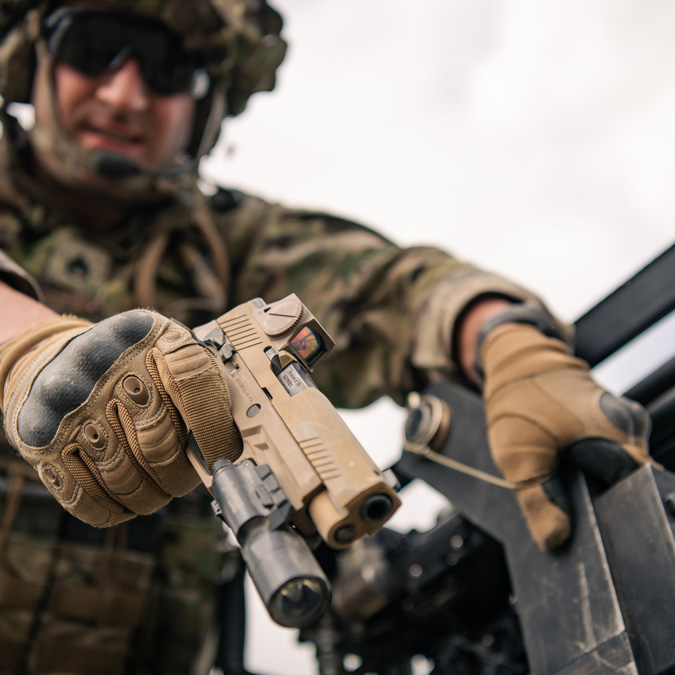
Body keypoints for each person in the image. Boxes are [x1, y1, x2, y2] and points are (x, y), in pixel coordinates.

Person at [0, 1, 655, 673]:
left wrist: (507, 338)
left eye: (169, 70)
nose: (125, 94)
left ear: (205, 106)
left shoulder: (229, 247)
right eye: (95, 48)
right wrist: (23, 347)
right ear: (33, 61)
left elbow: (398, 288)